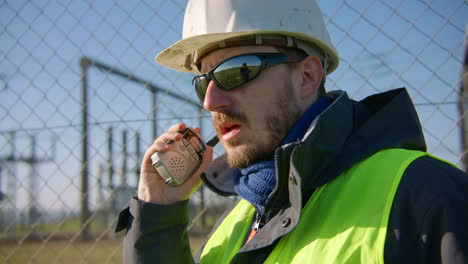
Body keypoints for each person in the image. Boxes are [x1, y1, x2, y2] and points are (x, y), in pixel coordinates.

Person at [116, 0, 468, 263]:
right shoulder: (238, 223)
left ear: (307, 76)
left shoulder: (427, 198)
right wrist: (158, 212)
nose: (211, 101)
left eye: (235, 71)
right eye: (203, 80)